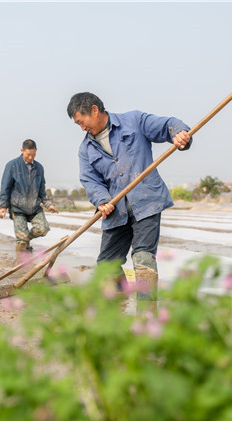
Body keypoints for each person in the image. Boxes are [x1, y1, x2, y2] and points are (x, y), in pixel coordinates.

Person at [67, 92, 192, 310]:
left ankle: (146, 315)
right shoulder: (85, 149)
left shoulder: (134, 121)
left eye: (81, 121)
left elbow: (168, 125)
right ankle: (117, 310)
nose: (82, 128)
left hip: (146, 201)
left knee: (143, 259)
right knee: (107, 266)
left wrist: (179, 133)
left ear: (94, 110)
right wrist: (102, 200)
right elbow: (90, 180)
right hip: (115, 210)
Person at [0, 139, 59, 259]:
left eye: (33, 155)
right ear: (22, 151)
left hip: (34, 207)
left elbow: (42, 190)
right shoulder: (12, 165)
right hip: (17, 208)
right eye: (28, 155)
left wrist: (48, 204)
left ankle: (26, 239)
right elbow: (5, 187)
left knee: (43, 229)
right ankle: (21, 265)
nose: (31, 157)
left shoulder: (39, 168)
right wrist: (2, 207)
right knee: (21, 241)